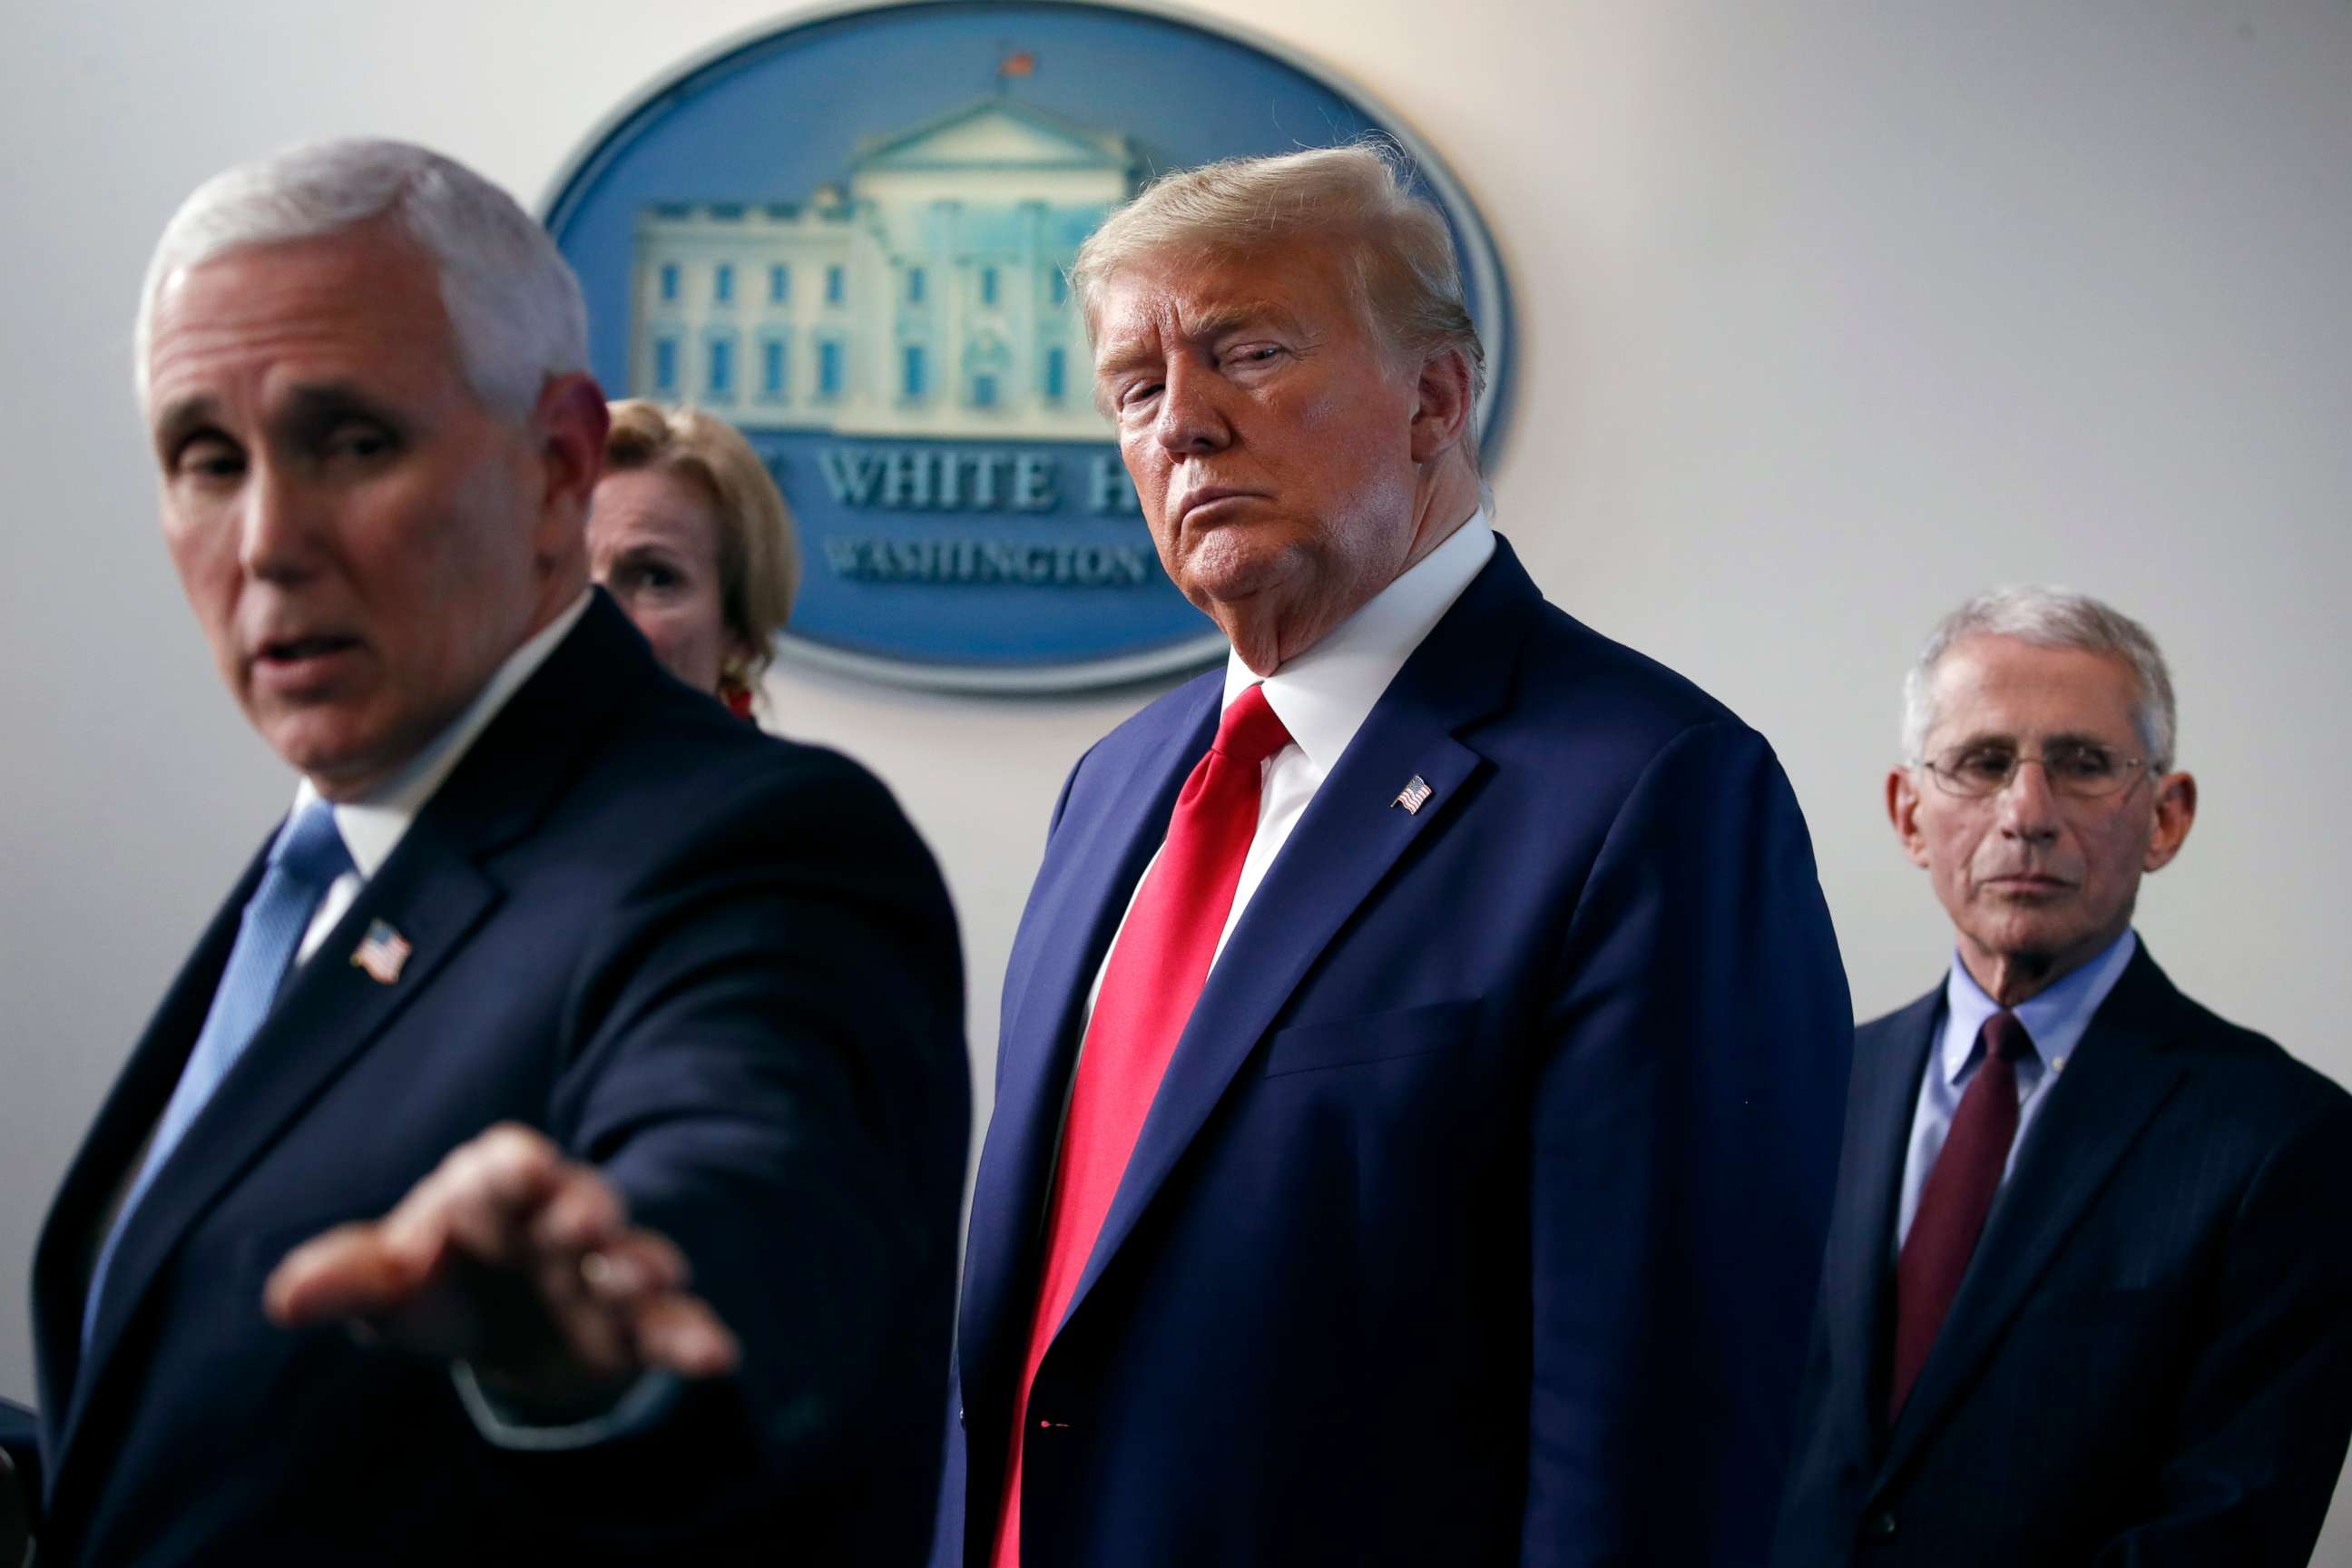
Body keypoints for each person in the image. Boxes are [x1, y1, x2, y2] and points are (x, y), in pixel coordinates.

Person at [25, 139, 967, 1566]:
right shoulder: (337, 860)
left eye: (353, 443)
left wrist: (587, 1352)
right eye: (207, 460)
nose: (269, 543)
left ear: (557, 468)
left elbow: (739, 1182)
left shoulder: (760, 851)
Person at [933, 143, 1853, 1568]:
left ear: (1436, 396)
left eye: (1248, 352)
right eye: (1135, 387)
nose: (1183, 424)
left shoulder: (1656, 794)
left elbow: (1654, 1441)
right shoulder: (1113, 787)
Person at [1775, 588, 2352, 1566]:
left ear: (2166, 818)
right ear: (1910, 814)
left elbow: (2232, 1530)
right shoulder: (1811, 1087)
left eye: (2084, 766)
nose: (2027, 814)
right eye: (1984, 762)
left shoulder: (2286, 1140)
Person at [591, 399, 799, 717]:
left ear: (740, 634)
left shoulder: (792, 768)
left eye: (655, 579)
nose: (588, 616)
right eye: (557, 569)